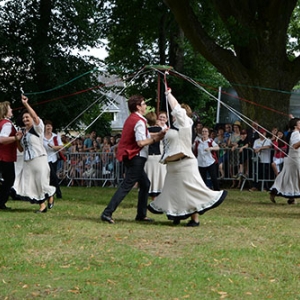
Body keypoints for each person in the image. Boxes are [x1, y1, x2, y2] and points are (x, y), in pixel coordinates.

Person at [148, 88, 227, 227]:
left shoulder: (185, 123)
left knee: (190, 191)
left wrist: (168, 94)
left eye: (176, 112)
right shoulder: (173, 127)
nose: (173, 113)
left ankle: (195, 219)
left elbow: (177, 108)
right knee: (173, 192)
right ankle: (176, 215)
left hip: (184, 164)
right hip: (172, 166)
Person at [100, 95, 166, 224]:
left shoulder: (133, 119)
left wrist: (159, 134)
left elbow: (144, 134)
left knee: (146, 184)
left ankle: (141, 214)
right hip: (136, 157)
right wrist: (155, 139)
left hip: (132, 157)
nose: (145, 106)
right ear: (138, 106)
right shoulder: (139, 121)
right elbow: (141, 142)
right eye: (143, 104)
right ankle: (107, 212)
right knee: (126, 185)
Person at [12, 95, 56, 213]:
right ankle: (42, 206)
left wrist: (26, 104)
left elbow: (36, 117)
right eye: (24, 118)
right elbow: (21, 150)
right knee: (32, 184)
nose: (25, 119)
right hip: (27, 161)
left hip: (39, 158)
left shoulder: (37, 129)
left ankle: (51, 193)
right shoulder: (22, 132)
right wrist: (17, 139)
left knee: (42, 181)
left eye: (27, 117)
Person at [270, 118, 300, 204]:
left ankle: (289, 197)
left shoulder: (295, 133)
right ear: (296, 126)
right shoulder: (295, 134)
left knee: (289, 177)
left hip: (294, 158)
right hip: (294, 159)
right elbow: (295, 146)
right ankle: (277, 191)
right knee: (291, 178)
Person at [0, 101, 23, 210]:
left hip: (4, 156)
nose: (12, 110)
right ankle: (1, 202)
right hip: (4, 156)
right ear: (5, 111)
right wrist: (15, 138)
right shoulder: (7, 124)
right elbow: (2, 139)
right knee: (9, 179)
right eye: (10, 109)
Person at [144, 112, 166, 200]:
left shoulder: (146, 131)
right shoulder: (161, 130)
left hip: (149, 157)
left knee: (150, 177)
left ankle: (151, 196)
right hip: (159, 156)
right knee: (159, 177)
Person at [193, 126, 220, 191]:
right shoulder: (197, 142)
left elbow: (217, 147)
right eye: (203, 131)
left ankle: (217, 191)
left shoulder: (210, 141)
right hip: (200, 163)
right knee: (202, 179)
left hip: (210, 162)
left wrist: (211, 148)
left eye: (206, 131)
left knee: (214, 178)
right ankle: (203, 191)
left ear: (208, 133)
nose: (204, 133)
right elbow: (193, 148)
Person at [43, 120, 64, 199]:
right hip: (44, 158)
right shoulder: (41, 137)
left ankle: (52, 192)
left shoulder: (55, 136)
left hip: (53, 158)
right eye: (47, 126)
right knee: (51, 176)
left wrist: (53, 147)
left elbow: (61, 146)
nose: (49, 127)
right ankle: (57, 193)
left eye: (50, 126)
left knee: (52, 176)